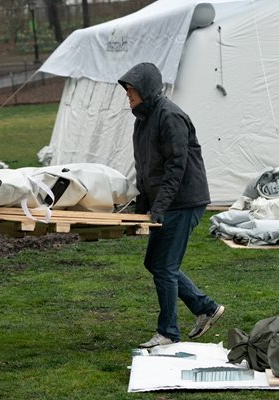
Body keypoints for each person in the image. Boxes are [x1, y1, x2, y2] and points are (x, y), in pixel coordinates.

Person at [118, 62, 224, 348]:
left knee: (164, 266)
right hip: (167, 202)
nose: (128, 96)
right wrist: (141, 211)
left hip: (184, 201)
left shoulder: (170, 116)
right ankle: (206, 308)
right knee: (156, 263)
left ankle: (168, 332)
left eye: (132, 91)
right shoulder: (143, 119)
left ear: (147, 89)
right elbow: (145, 170)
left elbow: (176, 167)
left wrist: (160, 208)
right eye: (127, 91)